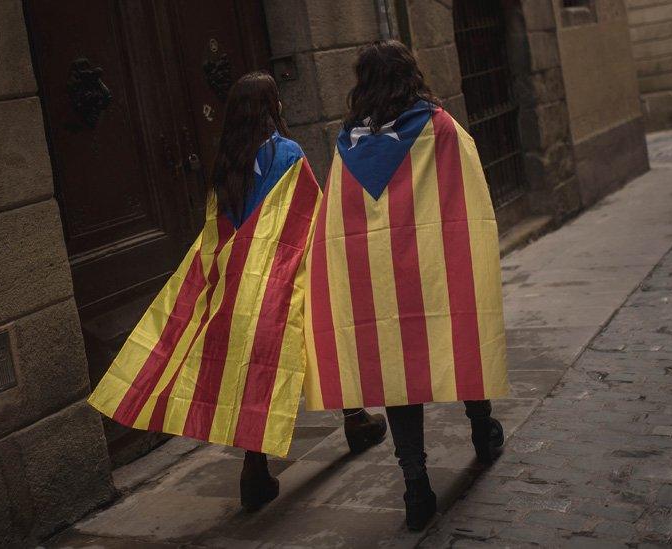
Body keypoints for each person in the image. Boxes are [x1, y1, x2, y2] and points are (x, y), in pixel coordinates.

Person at [87, 72, 386, 511]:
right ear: (270, 107)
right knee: (318, 337)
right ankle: (355, 420)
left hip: (237, 284)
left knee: (254, 370)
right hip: (282, 275)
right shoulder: (288, 152)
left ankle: (256, 469)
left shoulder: (226, 160)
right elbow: (309, 215)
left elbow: (220, 227)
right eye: (277, 100)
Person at [303, 40, 510, 531]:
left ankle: (415, 481)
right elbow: (469, 200)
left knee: (396, 370)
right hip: (433, 267)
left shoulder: (346, 141)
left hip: (376, 280)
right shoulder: (438, 126)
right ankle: (482, 431)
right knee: (458, 340)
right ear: (409, 74)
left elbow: (338, 219)